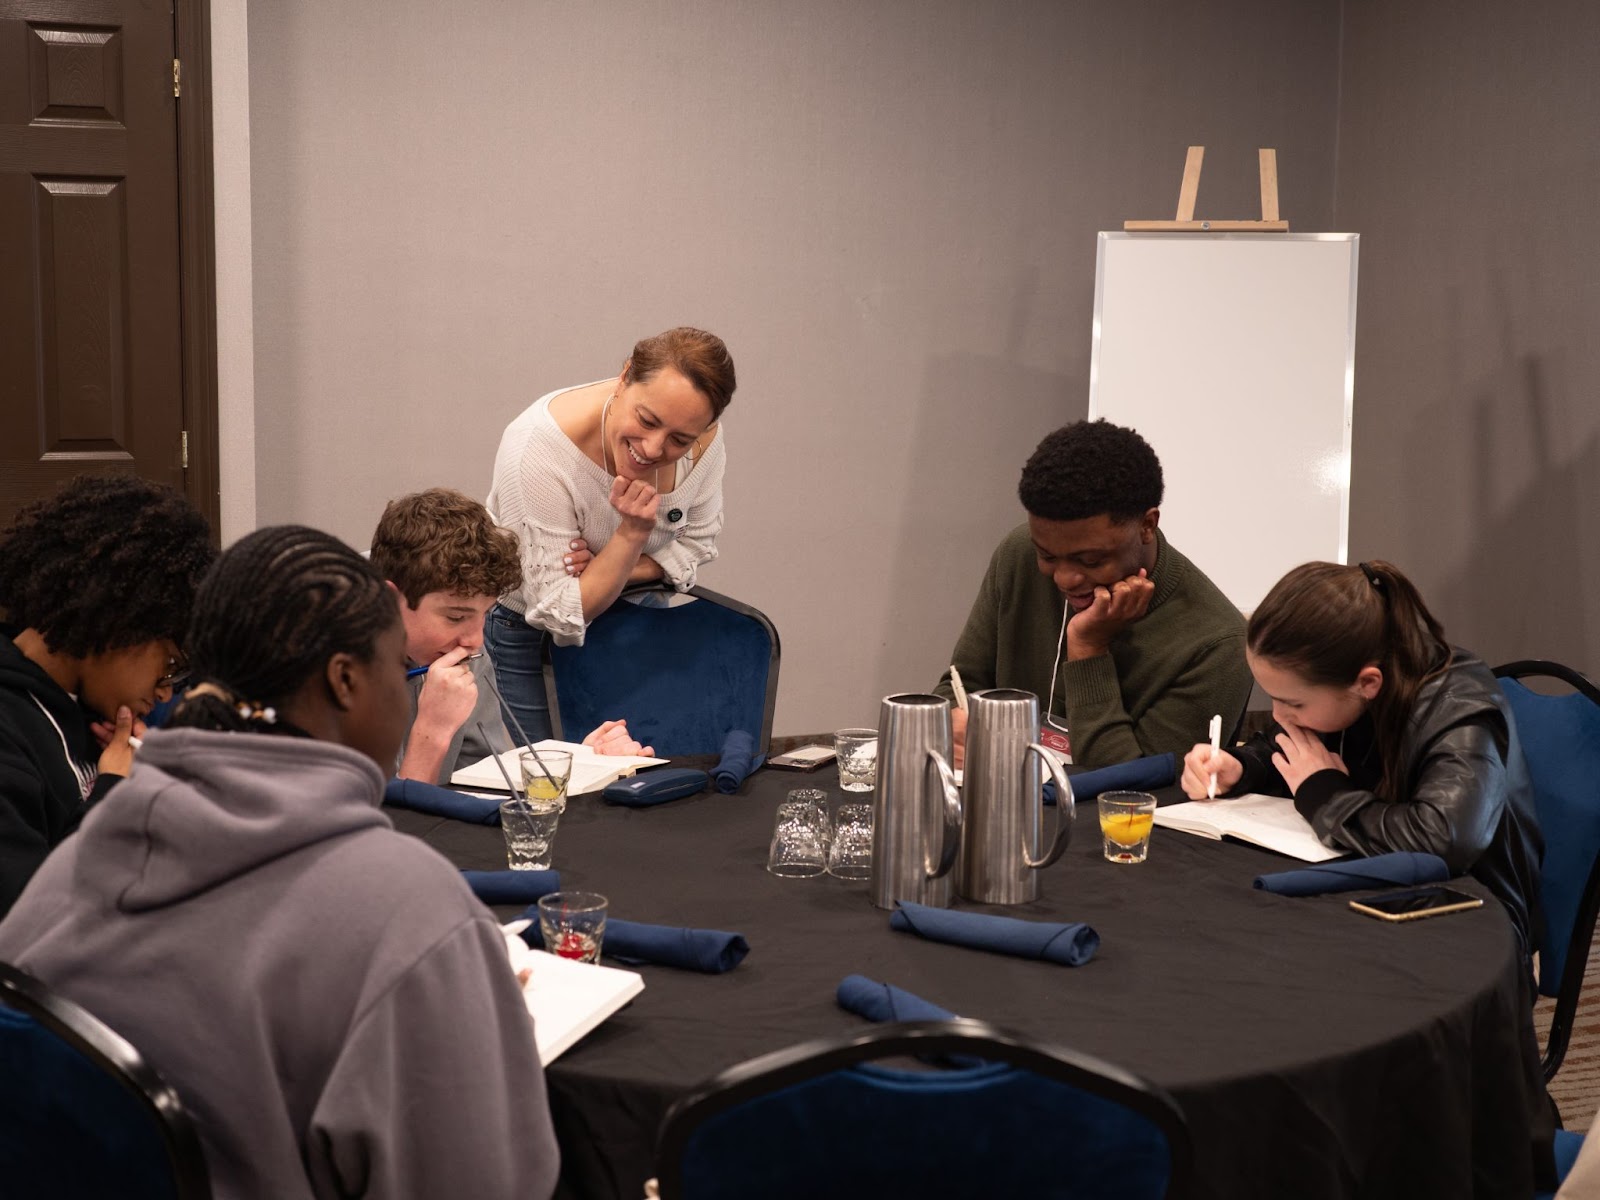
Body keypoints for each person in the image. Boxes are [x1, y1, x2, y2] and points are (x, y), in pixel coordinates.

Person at [0, 525, 559, 1198]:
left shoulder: (75, 861)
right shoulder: (412, 914)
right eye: (395, 669)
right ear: (346, 680)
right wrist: (490, 1043)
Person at [1180, 559, 1544, 957]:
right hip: (1377, 889)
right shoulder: (1347, 683)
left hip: (1471, 927)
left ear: (1367, 683)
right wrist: (1241, 767)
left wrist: (1327, 795)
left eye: (1293, 702)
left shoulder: (1459, 707)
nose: (1280, 716)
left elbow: (1442, 838)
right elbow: (1289, 746)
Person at [936, 420, 1252, 770]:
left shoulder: (1218, 644)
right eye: (1047, 556)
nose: (1065, 578)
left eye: (1090, 560)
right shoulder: (1017, 554)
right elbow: (961, 683)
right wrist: (950, 722)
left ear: (1147, 525)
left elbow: (1145, 792)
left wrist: (1088, 650)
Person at [485, 327, 736, 739]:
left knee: (634, 781)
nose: (654, 449)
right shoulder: (537, 450)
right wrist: (631, 535)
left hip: (638, 618)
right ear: (624, 379)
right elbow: (557, 612)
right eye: (647, 420)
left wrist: (612, 568)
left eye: (679, 439)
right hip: (533, 640)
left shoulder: (704, 440)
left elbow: (701, 541)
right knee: (553, 789)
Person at [0, 474, 213, 915]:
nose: (166, 691)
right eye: (170, 664)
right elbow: (28, 921)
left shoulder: (82, 710)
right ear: (122, 623)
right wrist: (114, 790)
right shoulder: (9, 730)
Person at [368, 488, 653, 783]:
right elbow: (377, 827)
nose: (475, 642)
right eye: (455, 617)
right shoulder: (328, 673)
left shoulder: (461, 649)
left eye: (486, 614)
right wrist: (433, 732)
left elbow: (479, 786)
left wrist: (579, 764)